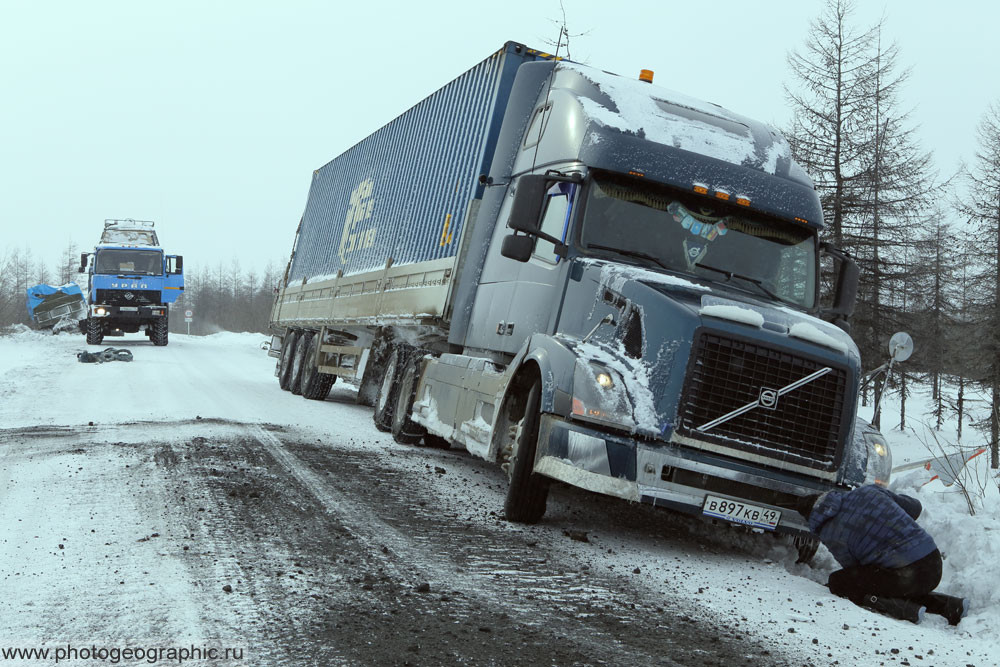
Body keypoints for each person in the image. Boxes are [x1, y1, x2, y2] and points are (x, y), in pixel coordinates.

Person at [797, 485, 968, 625]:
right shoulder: (867, 491)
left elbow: (855, 569)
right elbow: (915, 509)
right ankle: (952, 607)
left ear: (811, 517)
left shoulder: (829, 531)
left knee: (841, 582)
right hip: (932, 561)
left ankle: (905, 610)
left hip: (908, 575)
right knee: (890, 578)